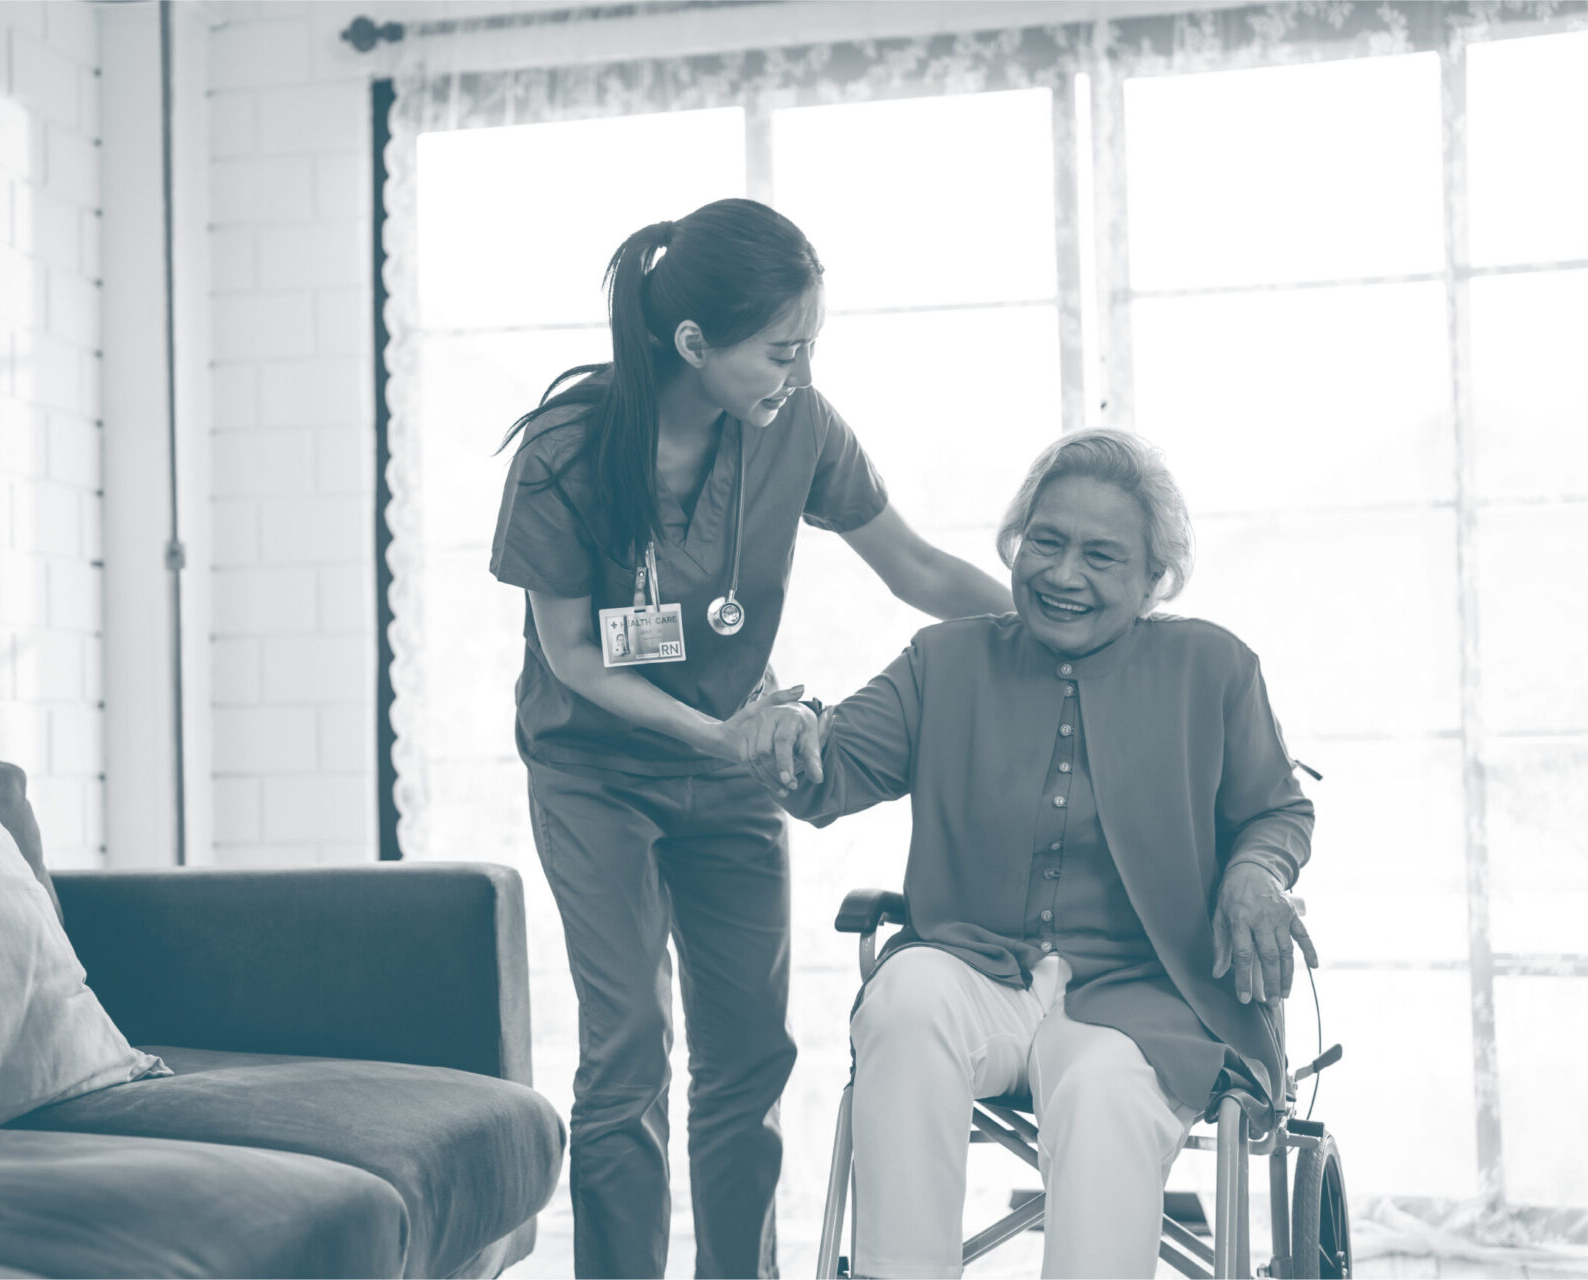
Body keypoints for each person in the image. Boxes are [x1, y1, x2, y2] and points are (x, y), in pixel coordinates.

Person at [488, 197, 1011, 1279]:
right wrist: (717, 734)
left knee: (746, 1057)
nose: (797, 368)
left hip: (728, 775)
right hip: (595, 772)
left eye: (808, 344)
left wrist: (1048, 622)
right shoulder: (570, 445)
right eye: (780, 348)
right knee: (626, 1041)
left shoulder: (799, 428)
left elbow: (912, 565)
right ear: (693, 344)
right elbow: (577, 656)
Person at [744, 429, 1317, 1278]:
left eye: (1101, 556)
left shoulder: (1213, 667)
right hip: (981, 972)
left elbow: (1277, 811)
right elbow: (830, 769)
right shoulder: (945, 659)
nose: (1063, 574)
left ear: (1153, 579)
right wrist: (789, 734)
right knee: (905, 998)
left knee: (1101, 1089)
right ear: (1015, 543)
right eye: (1045, 542)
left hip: (1144, 993)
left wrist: (1254, 870)